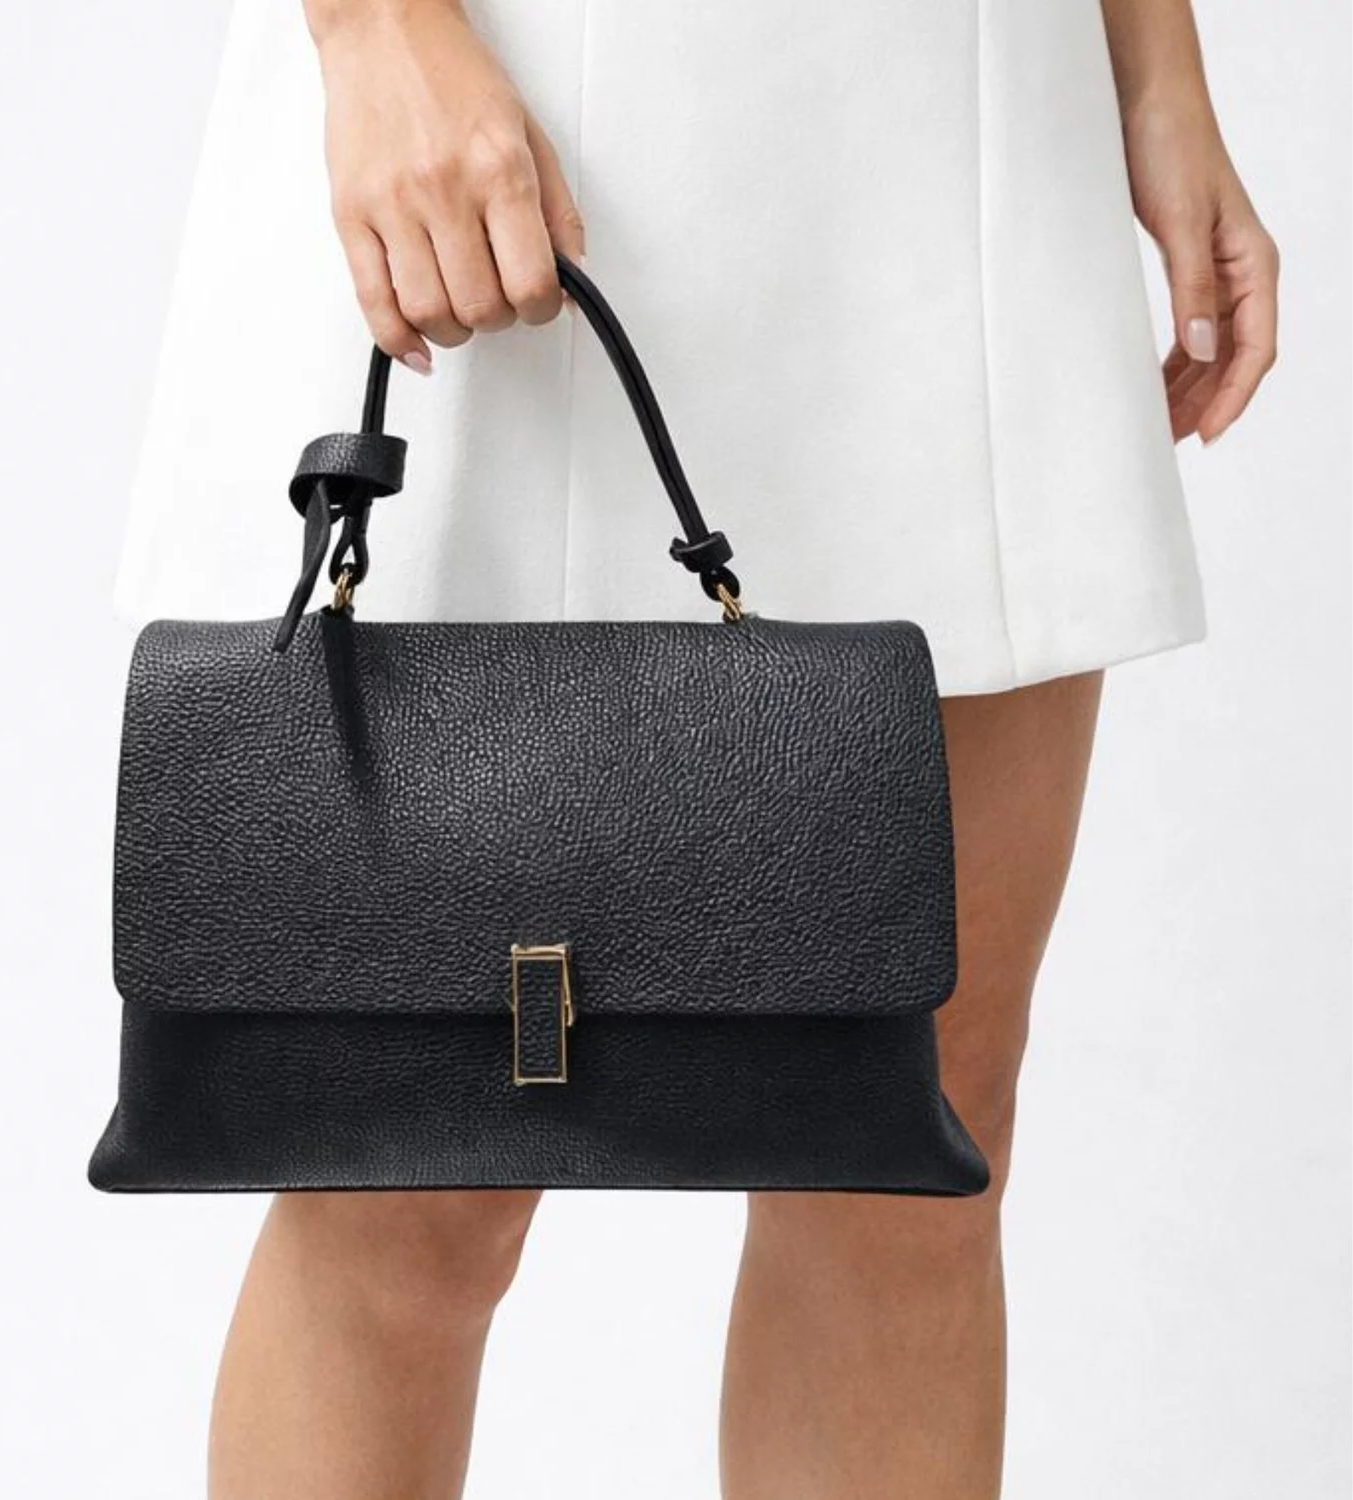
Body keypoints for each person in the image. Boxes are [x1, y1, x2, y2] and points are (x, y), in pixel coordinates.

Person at [113, 1, 1278, 1494]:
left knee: (914, 1129)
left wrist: (1159, 72)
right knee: (396, 1148)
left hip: (961, 104)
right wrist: (372, 29)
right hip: (517, 84)